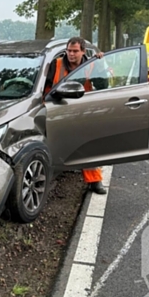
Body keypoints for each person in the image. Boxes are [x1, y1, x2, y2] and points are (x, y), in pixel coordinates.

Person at [46, 37, 107, 195]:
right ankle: (51, 175)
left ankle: (94, 181)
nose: (71, 54)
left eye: (75, 51)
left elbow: (103, 85)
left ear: (83, 52)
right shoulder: (56, 64)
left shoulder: (93, 64)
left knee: (88, 144)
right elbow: (45, 85)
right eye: (69, 50)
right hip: (58, 107)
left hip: (82, 109)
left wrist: (100, 67)